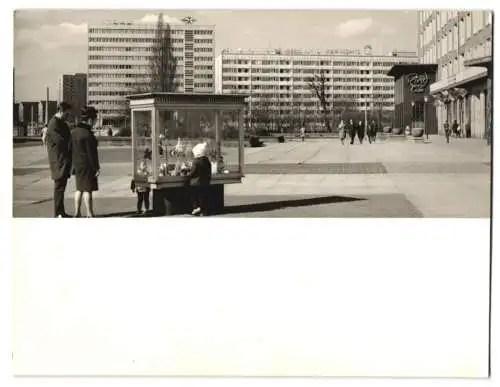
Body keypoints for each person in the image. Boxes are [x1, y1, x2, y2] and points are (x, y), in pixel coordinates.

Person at [71, 106, 100, 218]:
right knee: (88, 190)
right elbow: (91, 154)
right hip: (87, 166)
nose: (95, 122)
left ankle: (77, 212)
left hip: (77, 165)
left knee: (79, 189)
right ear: (89, 120)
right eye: (95, 120)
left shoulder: (73, 132)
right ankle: (89, 213)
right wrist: (96, 167)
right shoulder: (88, 135)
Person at [45, 102, 73, 218]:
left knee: (61, 187)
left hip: (62, 160)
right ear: (61, 111)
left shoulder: (60, 123)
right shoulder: (54, 124)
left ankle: (61, 212)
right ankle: (58, 213)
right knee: (59, 187)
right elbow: (61, 141)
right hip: (58, 161)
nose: (68, 116)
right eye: (67, 113)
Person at [187, 142, 212, 216]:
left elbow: (192, 173)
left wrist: (187, 174)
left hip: (196, 182)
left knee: (193, 194)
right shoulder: (207, 161)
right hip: (206, 182)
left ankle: (196, 207)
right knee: (203, 197)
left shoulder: (196, 161)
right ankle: (204, 211)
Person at [130, 149, 152, 214]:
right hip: (139, 189)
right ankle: (139, 209)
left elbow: (150, 179)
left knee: (146, 199)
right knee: (140, 200)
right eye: (143, 164)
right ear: (140, 165)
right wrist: (132, 187)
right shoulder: (138, 172)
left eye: (145, 165)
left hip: (145, 188)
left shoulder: (147, 172)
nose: (144, 166)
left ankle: (146, 209)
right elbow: (133, 179)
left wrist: (149, 187)